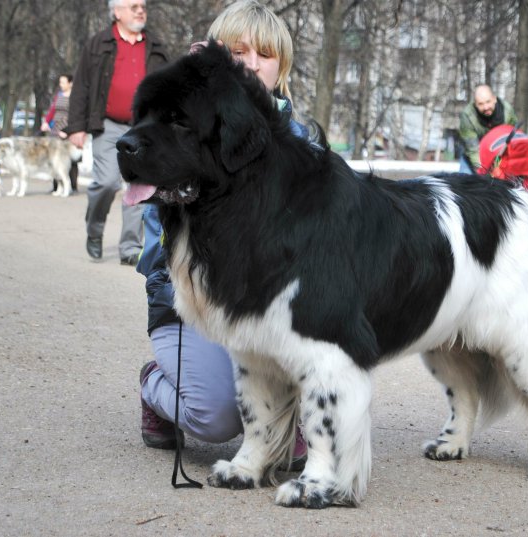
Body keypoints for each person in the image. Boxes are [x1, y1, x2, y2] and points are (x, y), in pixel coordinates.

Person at [138, 0, 306, 467]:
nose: (251, 64)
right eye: (236, 52)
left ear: (282, 67)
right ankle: (155, 381)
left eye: (265, 55)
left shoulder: (303, 141)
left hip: (271, 304)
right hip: (193, 294)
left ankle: (286, 414)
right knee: (214, 419)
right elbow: (159, 240)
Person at [66, 0, 169, 266]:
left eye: (143, 6)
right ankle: (95, 229)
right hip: (108, 123)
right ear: (117, 11)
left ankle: (130, 247)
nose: (140, 10)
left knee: (139, 186)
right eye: (133, 5)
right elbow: (81, 87)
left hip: (143, 126)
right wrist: (76, 127)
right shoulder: (98, 44)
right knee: (108, 181)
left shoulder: (155, 46)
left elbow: (168, 88)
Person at [458, 84, 518, 173]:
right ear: (475, 104)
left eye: (488, 102)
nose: (486, 107)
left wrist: (499, 165)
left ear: (494, 99)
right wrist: (482, 171)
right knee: (466, 183)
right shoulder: (467, 116)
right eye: (481, 104)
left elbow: (512, 139)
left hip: (498, 155)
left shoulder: (507, 111)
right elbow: (473, 149)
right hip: (473, 157)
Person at [42, 74, 79, 194]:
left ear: (70, 83)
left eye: (63, 82)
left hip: (68, 131)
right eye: (60, 82)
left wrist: (67, 130)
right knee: (53, 158)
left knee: (69, 160)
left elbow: (75, 114)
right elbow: (52, 110)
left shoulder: (75, 97)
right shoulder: (59, 95)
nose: (61, 85)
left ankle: (72, 186)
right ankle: (56, 186)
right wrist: (46, 122)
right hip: (55, 130)